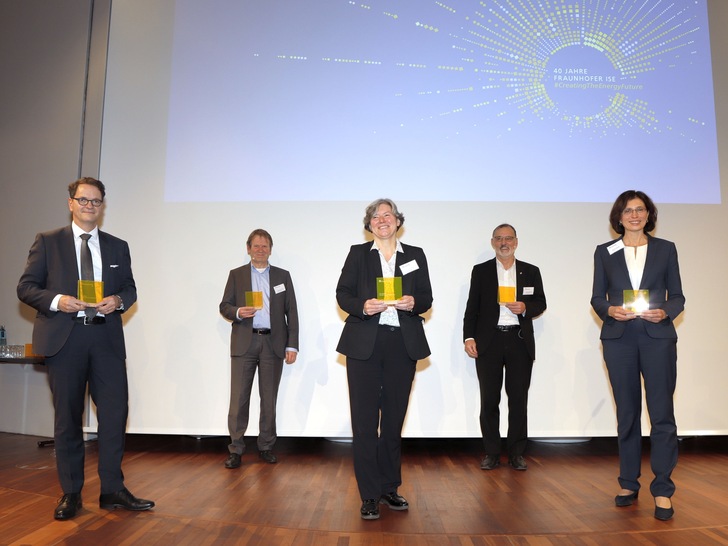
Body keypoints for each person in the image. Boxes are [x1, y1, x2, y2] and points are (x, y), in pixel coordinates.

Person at [17, 177, 154, 520]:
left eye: (96, 201)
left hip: (105, 339)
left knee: (114, 415)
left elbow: (130, 289)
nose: (89, 206)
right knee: (67, 420)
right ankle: (71, 493)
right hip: (66, 339)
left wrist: (119, 300)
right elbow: (26, 287)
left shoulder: (117, 246)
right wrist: (59, 300)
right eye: (83, 200)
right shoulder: (48, 242)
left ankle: (112, 490)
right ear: (71, 203)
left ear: (102, 206)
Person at [336, 198, 432, 520]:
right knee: (364, 424)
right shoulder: (358, 254)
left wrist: (412, 302)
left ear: (397, 221)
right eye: (376, 216)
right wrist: (364, 306)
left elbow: (428, 298)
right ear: (369, 224)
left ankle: (390, 487)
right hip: (365, 345)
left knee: (392, 421)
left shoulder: (415, 256)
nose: (382, 220)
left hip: (402, 345)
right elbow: (343, 293)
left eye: (387, 215)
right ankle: (368, 495)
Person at [591, 190, 684, 521]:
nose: (634, 215)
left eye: (640, 210)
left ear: (649, 215)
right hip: (619, 340)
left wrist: (665, 312)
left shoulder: (665, 249)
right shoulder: (605, 252)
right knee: (627, 414)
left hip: (657, 338)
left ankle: (662, 489)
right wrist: (610, 309)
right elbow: (596, 298)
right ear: (619, 216)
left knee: (661, 415)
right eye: (628, 210)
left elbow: (678, 296)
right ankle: (629, 483)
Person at [463, 224, 547, 471]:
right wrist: (468, 337)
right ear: (492, 242)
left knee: (518, 399)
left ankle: (516, 453)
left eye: (508, 238)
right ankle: (491, 452)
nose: (503, 242)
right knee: (489, 399)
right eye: (499, 238)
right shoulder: (481, 271)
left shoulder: (531, 271)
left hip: (519, 340)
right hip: (489, 341)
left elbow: (540, 302)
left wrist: (525, 308)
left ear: (516, 242)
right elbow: (472, 307)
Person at [219, 229, 299, 468]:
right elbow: (224, 306)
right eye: (256, 246)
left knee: (269, 398)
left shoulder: (283, 276)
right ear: (248, 249)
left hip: (273, 344)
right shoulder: (237, 275)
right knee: (239, 398)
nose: (260, 250)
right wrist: (237, 312)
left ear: (270, 250)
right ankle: (236, 449)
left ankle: (265, 446)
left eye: (265, 246)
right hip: (245, 341)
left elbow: (291, 312)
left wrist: (292, 344)